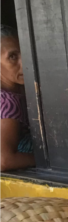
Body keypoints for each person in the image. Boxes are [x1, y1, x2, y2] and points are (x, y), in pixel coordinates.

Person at [0, 25, 34, 172]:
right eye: (13, 57)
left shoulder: (18, 92)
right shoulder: (9, 102)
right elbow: (4, 160)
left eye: (25, 53)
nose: (25, 62)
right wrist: (53, 160)